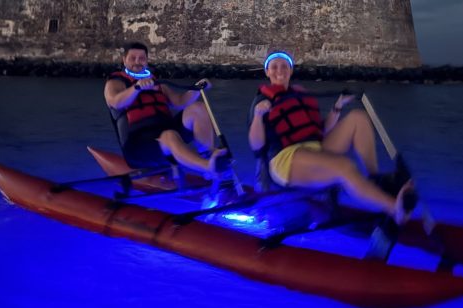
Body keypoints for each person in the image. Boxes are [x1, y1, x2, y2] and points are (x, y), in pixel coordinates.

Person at [247, 50, 415, 224]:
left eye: (284, 66)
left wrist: (338, 106)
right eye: (274, 67)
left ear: (291, 70)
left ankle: (375, 181)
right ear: (267, 72)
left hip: (314, 149)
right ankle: (394, 209)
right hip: (286, 160)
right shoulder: (262, 100)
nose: (279, 70)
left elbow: (321, 129)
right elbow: (256, 145)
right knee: (345, 166)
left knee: (358, 118)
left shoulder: (299, 94)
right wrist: (259, 116)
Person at [104, 42, 226, 176]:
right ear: (124, 60)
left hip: (167, 132)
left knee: (198, 108)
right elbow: (115, 102)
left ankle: (208, 155)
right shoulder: (115, 82)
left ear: (147, 60)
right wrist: (136, 88)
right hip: (139, 144)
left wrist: (196, 88)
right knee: (169, 135)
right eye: (133, 58)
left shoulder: (156, 83)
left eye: (142, 58)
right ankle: (208, 168)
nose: (137, 62)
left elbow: (179, 102)